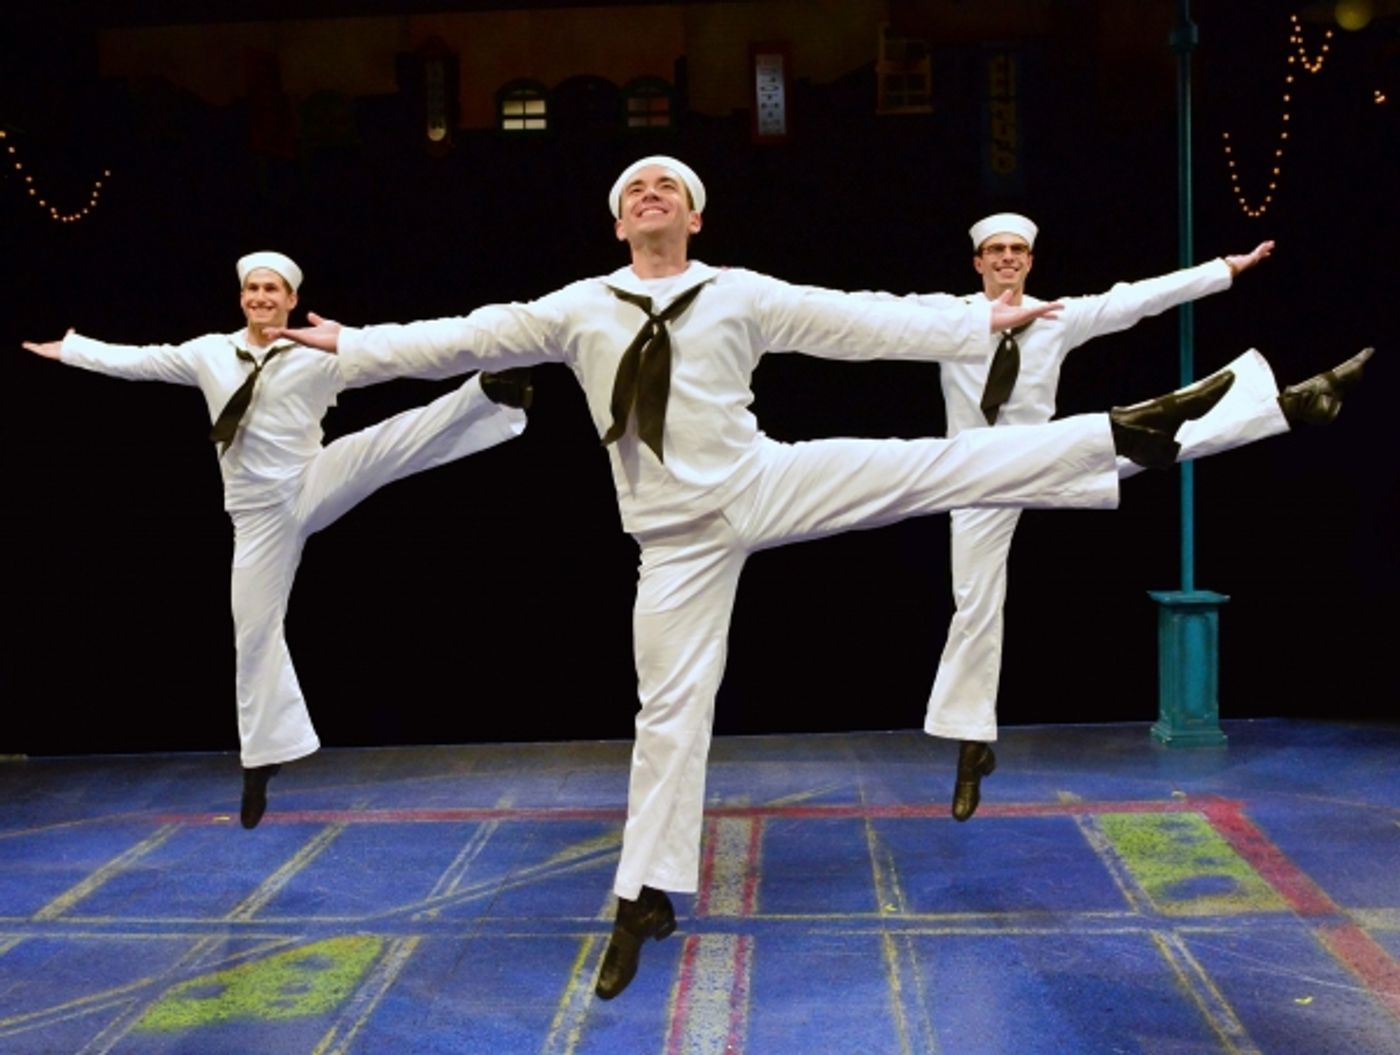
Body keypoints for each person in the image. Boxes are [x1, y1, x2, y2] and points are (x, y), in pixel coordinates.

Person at [268, 156, 1363, 1000]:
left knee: (945, 465)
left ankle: (1179, 418)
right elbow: (460, 335)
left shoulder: (737, 292)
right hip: (672, 540)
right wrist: (352, 348)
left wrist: (972, 318)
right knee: (666, 712)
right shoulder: (576, 306)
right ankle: (641, 892)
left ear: (693, 218)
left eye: (670, 187)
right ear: (617, 222)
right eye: (635, 188)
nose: (652, 193)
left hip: (759, 482)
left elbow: (858, 318)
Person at [21, 251, 534, 829]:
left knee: (384, 447)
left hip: (310, 480)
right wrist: (72, 350)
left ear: (291, 300)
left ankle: (489, 391)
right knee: (255, 630)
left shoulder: (319, 355)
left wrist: (456, 345)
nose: (262, 297)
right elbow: (141, 361)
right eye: (253, 289)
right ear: (242, 297)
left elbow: (401, 356)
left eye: (273, 289)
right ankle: (263, 758)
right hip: (257, 515)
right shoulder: (209, 352)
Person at [897, 213, 1372, 823]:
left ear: (1031, 261)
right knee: (975, 604)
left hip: (1043, 459)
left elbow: (1138, 301)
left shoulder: (1055, 318)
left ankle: (1292, 401)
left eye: (1018, 250)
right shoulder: (948, 317)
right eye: (997, 250)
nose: (1008, 258)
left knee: (1136, 437)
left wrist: (1224, 270)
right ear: (978, 263)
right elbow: (870, 318)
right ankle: (972, 746)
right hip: (975, 474)